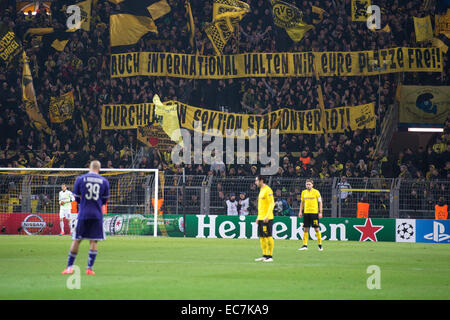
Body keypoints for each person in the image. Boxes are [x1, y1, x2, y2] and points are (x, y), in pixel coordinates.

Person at [61, 160, 110, 276]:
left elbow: (76, 198)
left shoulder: (80, 179)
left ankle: (69, 267)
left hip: (83, 214)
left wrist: (84, 202)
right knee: (93, 241)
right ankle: (89, 268)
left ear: (89, 167)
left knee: (77, 240)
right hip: (97, 215)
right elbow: (104, 201)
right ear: (99, 168)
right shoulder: (104, 181)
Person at [254, 175, 275, 262]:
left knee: (268, 236)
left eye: (256, 181)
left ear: (261, 180)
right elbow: (261, 206)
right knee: (262, 237)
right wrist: (258, 217)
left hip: (267, 218)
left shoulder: (268, 190)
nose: (255, 182)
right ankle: (264, 255)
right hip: (261, 217)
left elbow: (272, 204)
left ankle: (270, 256)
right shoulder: (261, 190)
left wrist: (267, 216)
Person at [298, 179, 323, 251]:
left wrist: (320, 212)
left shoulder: (316, 192)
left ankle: (320, 245)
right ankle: (305, 245)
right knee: (305, 229)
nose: (308, 186)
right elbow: (302, 203)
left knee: (316, 229)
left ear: (312, 185)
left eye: (309, 184)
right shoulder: (303, 192)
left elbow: (320, 202)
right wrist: (300, 211)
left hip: (314, 213)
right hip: (306, 213)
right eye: (307, 184)